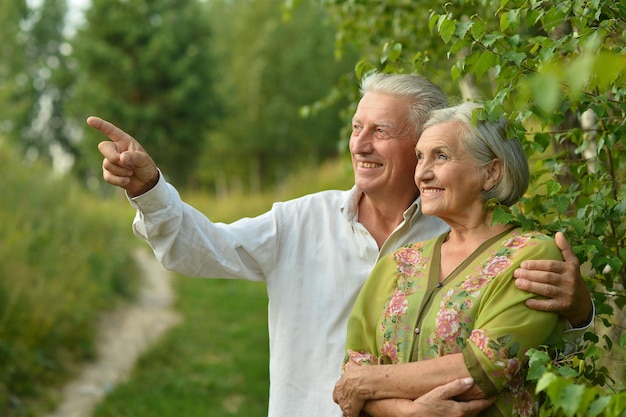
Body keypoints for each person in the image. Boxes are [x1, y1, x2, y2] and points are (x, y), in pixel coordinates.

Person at [89, 73, 592, 417]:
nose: (359, 144)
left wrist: (579, 309)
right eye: (356, 128)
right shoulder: (300, 219)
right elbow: (197, 249)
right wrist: (150, 190)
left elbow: (524, 351)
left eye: (380, 131)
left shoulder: (460, 232)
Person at [333, 101, 569, 417]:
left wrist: (370, 383)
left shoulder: (530, 255)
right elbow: (354, 370)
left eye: (441, 156)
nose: (423, 173)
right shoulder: (399, 263)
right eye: (420, 157)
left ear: (491, 172)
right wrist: (408, 413)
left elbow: (483, 369)